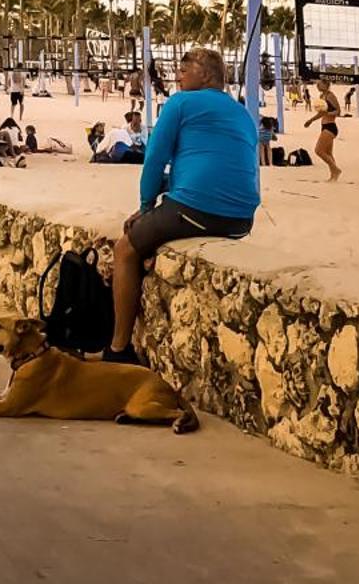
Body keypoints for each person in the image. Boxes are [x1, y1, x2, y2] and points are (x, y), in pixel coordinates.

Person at [106, 47, 260, 362]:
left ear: (204, 74)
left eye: (183, 69)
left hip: (197, 210)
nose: (177, 76)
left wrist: (146, 206)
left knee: (125, 249)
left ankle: (118, 349)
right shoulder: (243, 113)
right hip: (242, 219)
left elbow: (154, 158)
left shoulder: (180, 103)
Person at [306, 81, 342, 182]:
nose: (317, 86)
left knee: (319, 150)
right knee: (328, 153)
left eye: (320, 84)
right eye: (317, 84)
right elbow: (321, 113)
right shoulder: (321, 96)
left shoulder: (330, 96)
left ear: (326, 85)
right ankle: (333, 176)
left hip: (330, 126)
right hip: (324, 125)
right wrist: (311, 120)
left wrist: (328, 113)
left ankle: (336, 170)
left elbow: (338, 111)